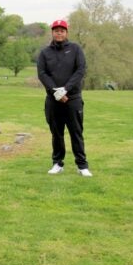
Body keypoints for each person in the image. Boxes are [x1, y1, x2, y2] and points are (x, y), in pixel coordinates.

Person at [36, 19, 92, 177]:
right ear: (52, 32)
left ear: (66, 33)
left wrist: (65, 89)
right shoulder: (45, 53)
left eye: (62, 30)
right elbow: (42, 73)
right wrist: (56, 92)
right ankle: (57, 163)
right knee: (57, 133)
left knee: (76, 132)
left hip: (72, 99)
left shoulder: (75, 49)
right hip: (53, 100)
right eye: (56, 30)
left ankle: (82, 166)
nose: (59, 33)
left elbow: (80, 70)